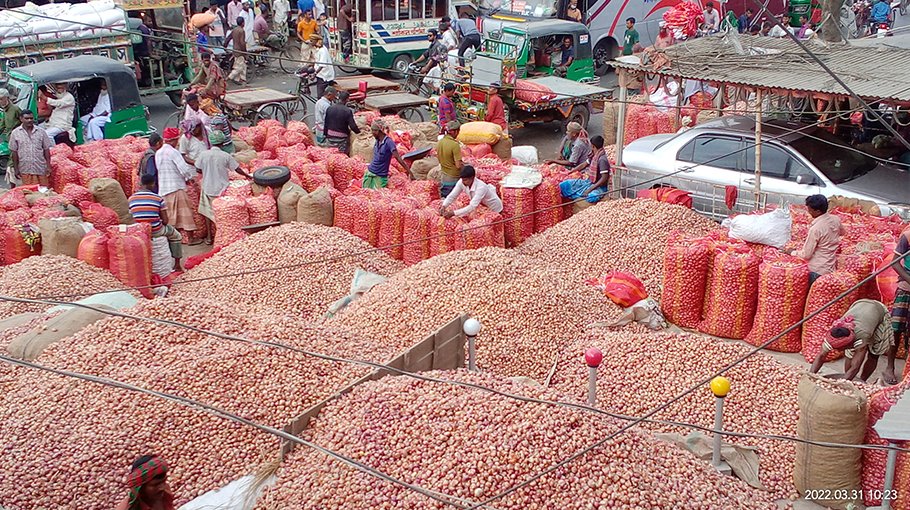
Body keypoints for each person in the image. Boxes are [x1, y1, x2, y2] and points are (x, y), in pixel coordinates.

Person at [809, 300, 895, 382]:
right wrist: (810, 376)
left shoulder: (861, 335)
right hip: (859, 305)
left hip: (878, 311)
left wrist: (842, 384)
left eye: (840, 348)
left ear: (848, 343)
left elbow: (856, 366)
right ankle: (850, 377)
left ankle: (862, 380)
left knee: (874, 355)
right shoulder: (832, 335)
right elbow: (820, 357)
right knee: (849, 354)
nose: (838, 351)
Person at [195, 130, 252, 244]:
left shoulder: (203, 155)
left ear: (211, 143)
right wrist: (247, 176)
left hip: (207, 187)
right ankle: (221, 235)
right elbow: (237, 169)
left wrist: (207, 170)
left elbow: (197, 169)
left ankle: (210, 237)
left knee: (208, 213)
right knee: (222, 214)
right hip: (222, 189)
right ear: (222, 144)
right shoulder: (225, 156)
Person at [129, 173, 185, 271]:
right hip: (155, 230)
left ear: (140, 184)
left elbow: (132, 217)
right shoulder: (158, 198)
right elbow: (165, 221)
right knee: (176, 236)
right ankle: (177, 265)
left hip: (140, 230)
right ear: (152, 184)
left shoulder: (131, 199)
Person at [788, 195, 842, 284]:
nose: (808, 212)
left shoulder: (816, 229)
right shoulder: (836, 219)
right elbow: (842, 232)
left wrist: (792, 252)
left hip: (817, 270)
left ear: (818, 211)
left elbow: (806, 255)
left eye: (810, 210)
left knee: (811, 294)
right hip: (830, 268)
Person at [155, 127, 198, 237]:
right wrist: (189, 179)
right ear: (173, 140)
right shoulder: (173, 152)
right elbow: (184, 169)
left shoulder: (158, 153)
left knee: (170, 215)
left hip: (164, 188)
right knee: (185, 214)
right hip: (176, 186)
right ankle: (191, 239)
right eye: (176, 140)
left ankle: (174, 237)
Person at [884, 228, 910, 384]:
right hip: (906, 287)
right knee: (896, 327)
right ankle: (890, 367)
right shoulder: (907, 236)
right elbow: (895, 262)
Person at [558, 135, 611, 203]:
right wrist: (570, 172)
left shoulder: (602, 159)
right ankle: (578, 194)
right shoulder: (594, 155)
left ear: (593, 146)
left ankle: (578, 195)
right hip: (589, 182)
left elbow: (604, 178)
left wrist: (590, 189)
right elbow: (584, 165)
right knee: (564, 185)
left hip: (599, 187)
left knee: (591, 197)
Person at [9, 111, 52, 187]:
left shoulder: (41, 132)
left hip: (40, 168)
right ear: (21, 119)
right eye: (26, 118)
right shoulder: (15, 133)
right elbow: (14, 152)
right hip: (25, 169)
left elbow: (46, 150)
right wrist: (16, 169)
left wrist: (48, 166)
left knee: (44, 192)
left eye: (31, 118)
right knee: (28, 192)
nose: (29, 120)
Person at [363, 120, 408, 189]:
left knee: (379, 197)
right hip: (370, 172)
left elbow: (398, 158)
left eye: (374, 130)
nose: (372, 133)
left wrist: (410, 172)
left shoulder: (389, 142)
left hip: (380, 176)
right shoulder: (377, 141)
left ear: (380, 131)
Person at [323, 90, 360, 155]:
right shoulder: (347, 111)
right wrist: (359, 133)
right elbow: (353, 126)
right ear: (347, 99)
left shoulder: (330, 108)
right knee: (341, 156)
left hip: (330, 136)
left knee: (330, 154)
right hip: (341, 138)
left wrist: (326, 134)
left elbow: (326, 123)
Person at [436, 120, 463, 197]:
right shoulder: (454, 145)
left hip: (444, 177)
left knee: (445, 199)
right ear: (455, 132)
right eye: (458, 131)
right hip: (453, 178)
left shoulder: (440, 142)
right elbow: (458, 165)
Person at [228, 17, 248, 84]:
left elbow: (228, 38)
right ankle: (229, 77)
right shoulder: (241, 31)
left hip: (235, 50)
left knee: (243, 65)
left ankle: (242, 80)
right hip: (240, 51)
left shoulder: (234, 30)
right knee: (239, 67)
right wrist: (245, 52)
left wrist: (225, 45)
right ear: (243, 23)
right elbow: (242, 43)